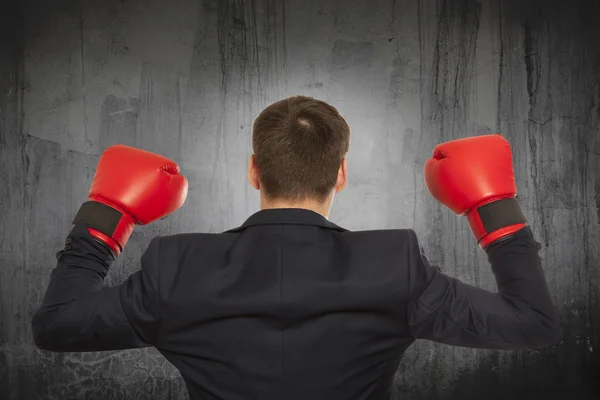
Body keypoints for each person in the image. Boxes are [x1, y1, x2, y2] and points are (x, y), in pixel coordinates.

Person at [32, 96, 560, 400]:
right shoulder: (392, 265)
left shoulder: (177, 267)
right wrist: (491, 206)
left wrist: (108, 214)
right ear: (342, 173)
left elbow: (57, 324)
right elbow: (531, 322)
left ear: (253, 170)